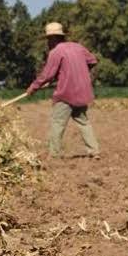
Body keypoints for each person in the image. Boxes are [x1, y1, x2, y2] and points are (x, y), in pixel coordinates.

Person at [26, 22, 100, 159]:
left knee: (57, 123)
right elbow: (93, 61)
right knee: (83, 122)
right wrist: (79, 72)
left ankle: (55, 154)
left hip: (66, 94)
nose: (47, 42)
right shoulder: (79, 47)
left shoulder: (56, 52)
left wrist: (33, 87)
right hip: (82, 92)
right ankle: (94, 151)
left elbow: (47, 75)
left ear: (53, 38)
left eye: (48, 39)